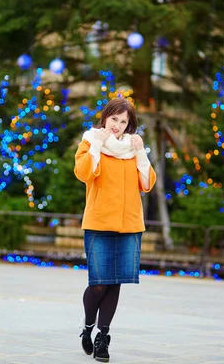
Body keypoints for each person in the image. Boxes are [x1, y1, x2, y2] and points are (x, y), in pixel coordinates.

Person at [74, 98, 156, 363]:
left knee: (115, 283)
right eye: (114, 120)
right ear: (105, 118)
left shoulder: (132, 149)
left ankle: (103, 337)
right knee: (99, 284)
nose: (118, 126)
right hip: (99, 223)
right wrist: (97, 144)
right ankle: (87, 327)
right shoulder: (90, 142)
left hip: (130, 225)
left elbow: (146, 183)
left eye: (124, 121)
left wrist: (141, 152)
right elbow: (85, 172)